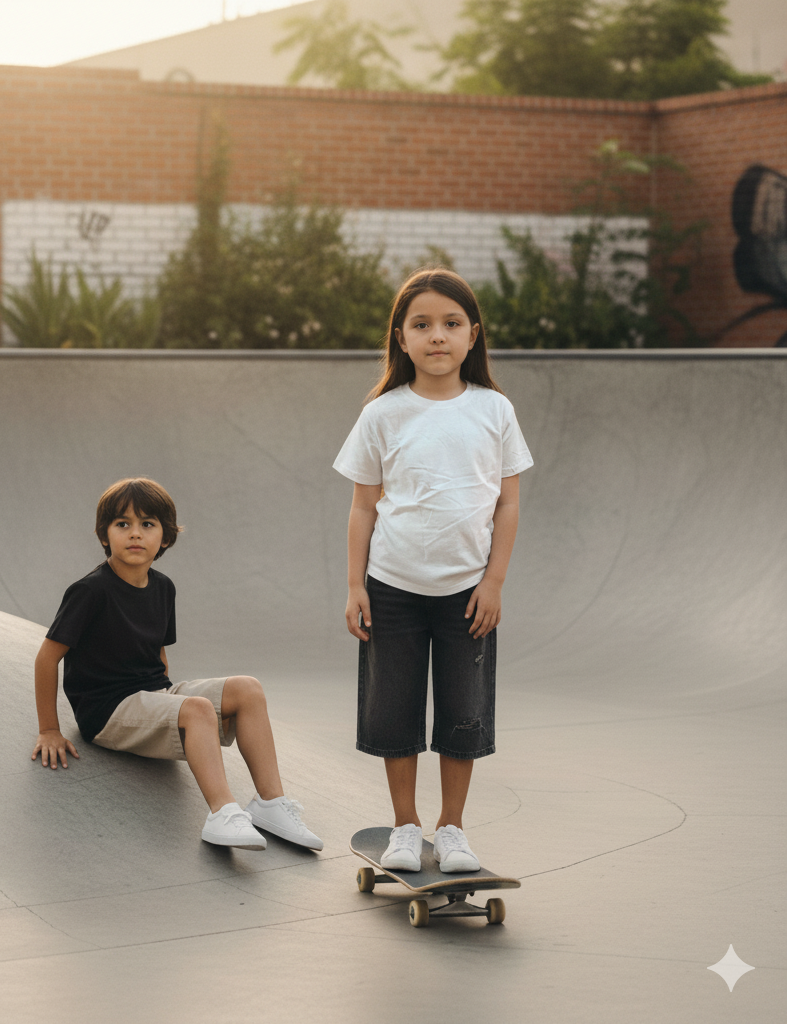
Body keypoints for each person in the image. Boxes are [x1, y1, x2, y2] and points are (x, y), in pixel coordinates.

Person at [333, 269, 533, 874]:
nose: (437, 336)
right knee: (394, 710)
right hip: (392, 591)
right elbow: (364, 506)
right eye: (422, 325)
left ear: (474, 335)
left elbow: (509, 503)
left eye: (451, 324)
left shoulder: (494, 409)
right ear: (401, 337)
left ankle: (452, 829)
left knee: (462, 711)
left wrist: (494, 581)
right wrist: (354, 586)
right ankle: (404, 827)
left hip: (466, 595)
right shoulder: (382, 414)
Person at [31, 476, 322, 853]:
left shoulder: (163, 586)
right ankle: (222, 813)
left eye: (147, 525)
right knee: (197, 709)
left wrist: (169, 703)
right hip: (106, 710)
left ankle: (270, 804)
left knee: (247, 688)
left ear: (165, 538)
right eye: (123, 525)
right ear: (104, 536)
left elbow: (157, 650)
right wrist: (49, 729)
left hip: (152, 692)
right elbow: (46, 658)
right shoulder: (90, 591)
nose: (135, 534)